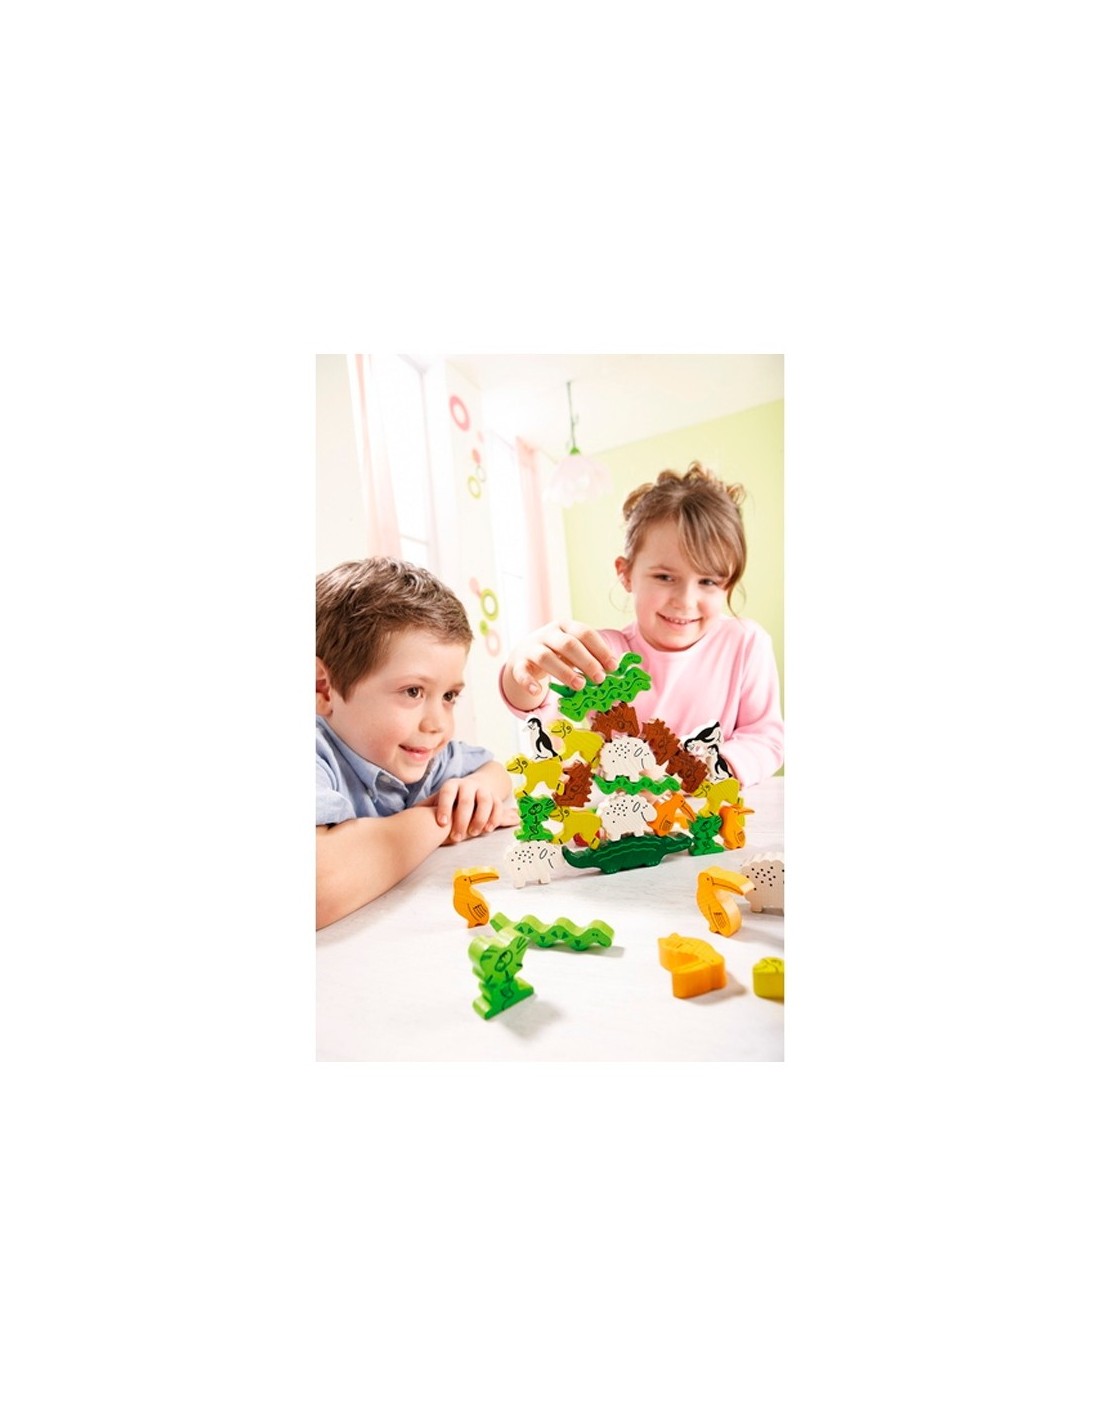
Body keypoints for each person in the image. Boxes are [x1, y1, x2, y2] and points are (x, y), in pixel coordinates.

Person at [499, 462, 784, 786]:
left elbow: (765, 738)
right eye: (665, 577)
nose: (685, 601)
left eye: (708, 581)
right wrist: (522, 666)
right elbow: (539, 708)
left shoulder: (746, 644)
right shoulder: (602, 654)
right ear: (626, 574)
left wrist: (697, 772)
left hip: (712, 807)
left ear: (728, 585)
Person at [317, 557, 517, 929]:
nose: (438, 724)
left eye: (449, 696)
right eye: (413, 691)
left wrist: (473, 791)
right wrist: (437, 820)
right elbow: (318, 887)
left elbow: (494, 771)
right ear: (323, 689)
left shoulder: (415, 751)